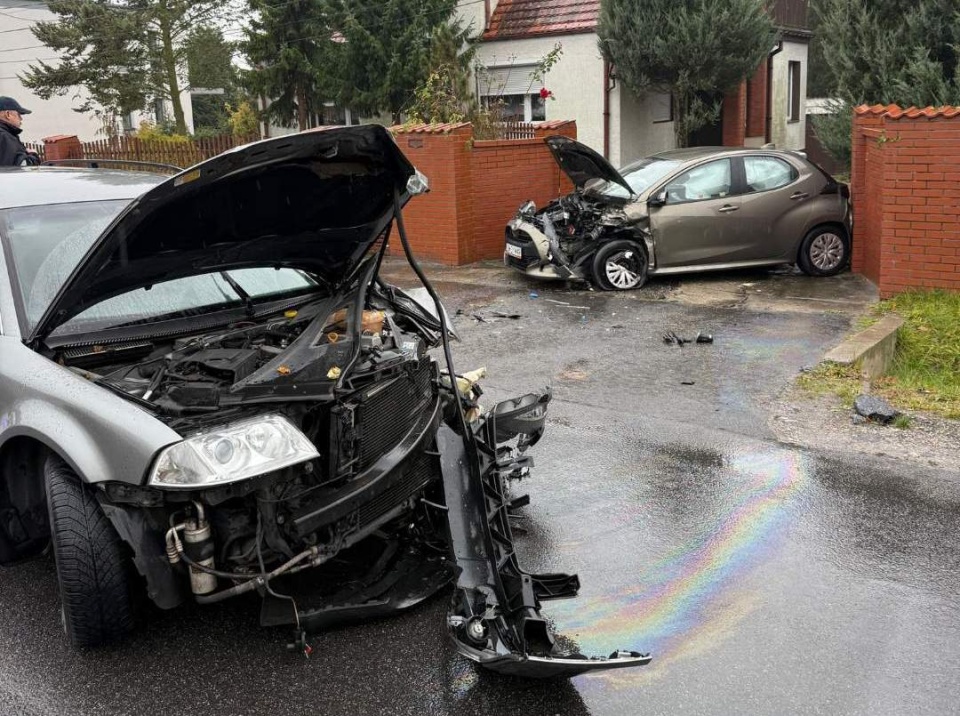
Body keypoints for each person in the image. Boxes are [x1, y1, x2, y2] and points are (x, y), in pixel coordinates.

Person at [0, 96, 41, 167]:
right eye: (19, 114)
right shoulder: (4, 137)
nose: (21, 118)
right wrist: (33, 155)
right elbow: (18, 168)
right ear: (8, 114)